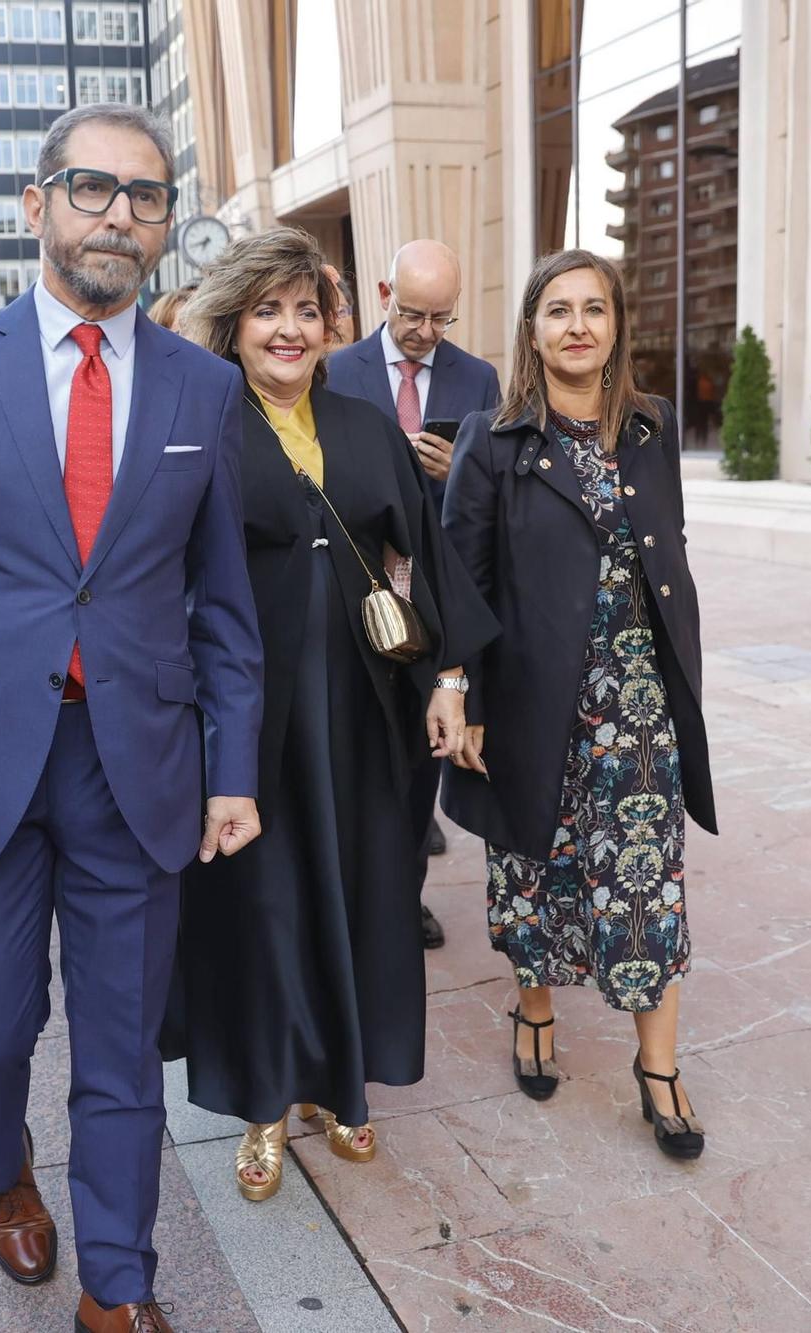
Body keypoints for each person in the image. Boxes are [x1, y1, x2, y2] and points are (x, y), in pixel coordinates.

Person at [0, 103, 263, 1333]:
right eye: (91, 188)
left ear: (165, 226)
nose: (117, 215)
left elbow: (224, 606)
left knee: (123, 1047)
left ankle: (117, 1286)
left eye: (144, 196)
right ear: (34, 206)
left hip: (133, 763)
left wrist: (228, 768)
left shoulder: (202, 386)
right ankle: (2, 1175)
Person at [167, 227, 497, 1201]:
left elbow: (426, 561)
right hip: (244, 714)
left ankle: (335, 1085)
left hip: (362, 714)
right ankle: (265, 1102)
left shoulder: (358, 424)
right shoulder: (200, 423)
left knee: (360, 892)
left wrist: (449, 680)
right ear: (232, 323)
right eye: (267, 309)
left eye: (305, 310)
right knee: (261, 906)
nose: (288, 328)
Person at [442, 249, 715, 1160]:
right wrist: (465, 695)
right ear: (532, 329)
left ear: (616, 325)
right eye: (558, 310)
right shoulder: (497, 437)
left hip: (637, 698)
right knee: (535, 868)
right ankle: (534, 1004)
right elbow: (463, 582)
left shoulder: (651, 426)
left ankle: (660, 1067)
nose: (578, 326)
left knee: (648, 880)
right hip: (531, 697)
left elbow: (666, 551)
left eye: (594, 309)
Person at [325, 238, 503, 951]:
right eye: (414, 314)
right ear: (382, 293)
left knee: (420, 756)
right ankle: (359, 894)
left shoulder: (479, 378)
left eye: (442, 318)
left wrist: (454, 467)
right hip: (357, 591)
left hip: (435, 592)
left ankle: (403, 893)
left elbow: (493, 485)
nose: (427, 331)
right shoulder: (335, 369)